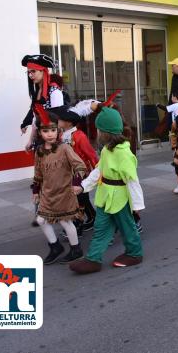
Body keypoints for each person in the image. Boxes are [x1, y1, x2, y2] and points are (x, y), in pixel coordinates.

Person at [69, 106, 145, 274]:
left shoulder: (124, 154)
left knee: (127, 228)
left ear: (106, 132)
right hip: (105, 195)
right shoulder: (105, 150)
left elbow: (132, 180)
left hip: (121, 198)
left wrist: (137, 204)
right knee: (101, 227)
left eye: (99, 129)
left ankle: (134, 253)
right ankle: (93, 259)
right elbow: (98, 171)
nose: (96, 132)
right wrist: (83, 186)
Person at [31, 105, 86, 264]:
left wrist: (77, 183)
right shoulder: (40, 151)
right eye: (46, 131)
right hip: (47, 194)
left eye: (53, 130)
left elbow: (80, 165)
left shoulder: (65, 148)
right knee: (41, 220)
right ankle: (55, 247)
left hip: (64, 193)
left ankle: (76, 249)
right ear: (40, 133)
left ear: (58, 131)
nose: (50, 134)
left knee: (65, 221)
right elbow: (38, 173)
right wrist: (35, 190)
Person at [53, 106, 99, 233]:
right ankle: (92, 217)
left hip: (80, 173)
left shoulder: (79, 136)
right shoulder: (61, 135)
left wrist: (98, 170)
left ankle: (77, 225)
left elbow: (91, 154)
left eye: (60, 119)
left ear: (68, 122)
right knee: (80, 198)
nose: (58, 121)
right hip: (67, 172)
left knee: (79, 199)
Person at [20, 54, 64, 151]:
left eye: (33, 71)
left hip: (52, 143)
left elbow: (59, 121)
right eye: (28, 72)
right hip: (40, 141)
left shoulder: (54, 92)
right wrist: (31, 140)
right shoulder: (37, 93)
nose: (30, 75)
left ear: (43, 71)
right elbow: (36, 119)